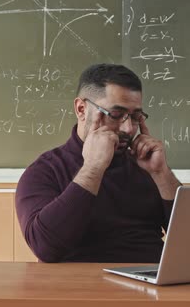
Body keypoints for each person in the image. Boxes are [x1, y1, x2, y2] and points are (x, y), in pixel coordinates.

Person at [15, 63, 181, 263]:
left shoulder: (147, 166)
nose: (129, 129)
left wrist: (162, 174)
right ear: (81, 109)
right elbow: (45, 248)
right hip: (79, 288)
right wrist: (93, 168)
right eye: (116, 115)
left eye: (136, 117)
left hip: (151, 285)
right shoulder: (45, 171)